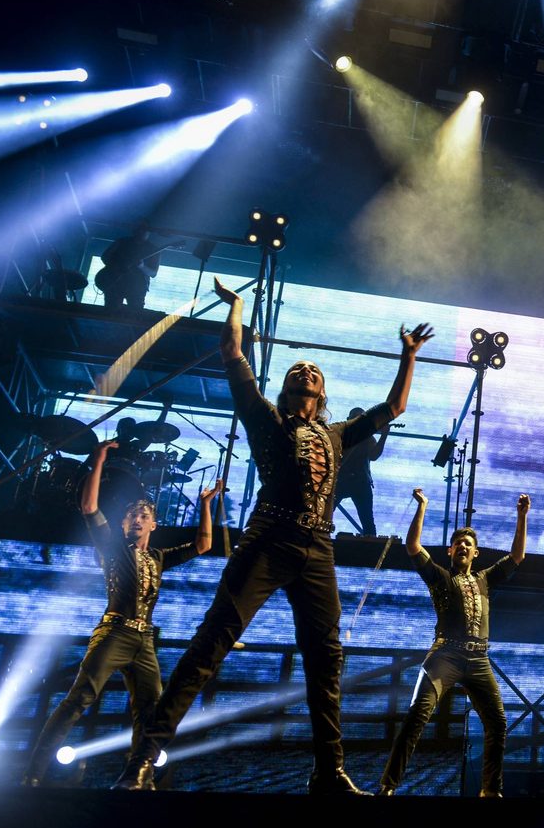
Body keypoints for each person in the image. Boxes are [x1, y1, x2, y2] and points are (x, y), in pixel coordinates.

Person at [113, 277, 432, 793]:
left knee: (326, 659)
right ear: (287, 387)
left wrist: (409, 355)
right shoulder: (266, 418)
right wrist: (238, 307)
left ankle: (328, 772)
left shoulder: (337, 434)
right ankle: (142, 762)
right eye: (297, 369)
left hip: (318, 547)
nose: (307, 370)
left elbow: (393, 408)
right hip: (268, 537)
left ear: (322, 393)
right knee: (212, 642)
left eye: (314, 371)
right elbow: (232, 352)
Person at [22, 439, 218, 786]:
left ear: (154, 525)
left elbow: (204, 545)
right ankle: (33, 774)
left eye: (144, 516)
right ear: (123, 523)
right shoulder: (113, 547)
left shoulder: (158, 557)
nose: (138, 520)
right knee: (79, 698)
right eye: (132, 516)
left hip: (144, 641)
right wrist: (98, 459)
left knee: (150, 711)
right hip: (114, 633)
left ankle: (137, 777)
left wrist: (205, 504)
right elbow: (88, 506)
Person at [377, 488, 528, 797]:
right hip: (445, 655)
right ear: (450, 551)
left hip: (479, 659)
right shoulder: (439, 577)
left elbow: (516, 557)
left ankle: (490, 790)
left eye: (468, 544)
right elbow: (413, 546)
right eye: (458, 543)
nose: (463, 546)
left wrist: (522, 516)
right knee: (418, 715)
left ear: (476, 553)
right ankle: (388, 786)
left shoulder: (485, 579)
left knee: (498, 722)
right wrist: (423, 507)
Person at [334, 409, 391, 537]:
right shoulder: (341, 436)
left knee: (367, 520)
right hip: (344, 481)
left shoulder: (367, 438)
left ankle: (370, 544)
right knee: (325, 514)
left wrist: (384, 435)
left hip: (358, 482)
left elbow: (374, 456)